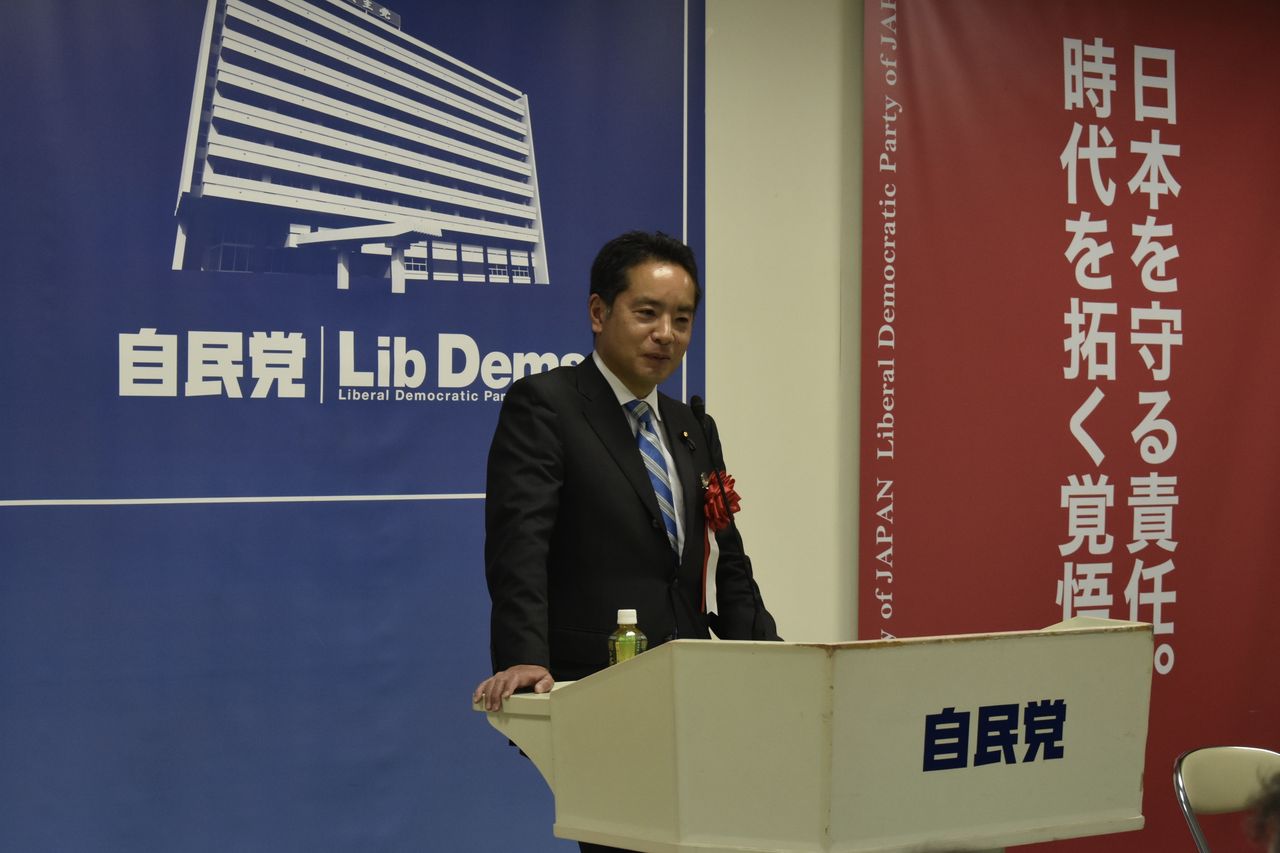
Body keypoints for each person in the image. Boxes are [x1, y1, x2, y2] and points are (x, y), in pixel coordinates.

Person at [473, 232, 780, 846]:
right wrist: (524, 655)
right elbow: (520, 546)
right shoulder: (548, 406)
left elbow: (726, 558)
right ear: (598, 312)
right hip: (598, 692)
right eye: (647, 313)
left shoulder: (692, 427)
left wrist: (773, 659)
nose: (666, 334)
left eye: (682, 319)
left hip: (694, 693)